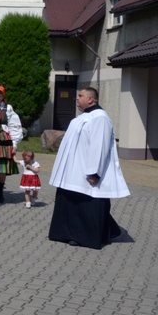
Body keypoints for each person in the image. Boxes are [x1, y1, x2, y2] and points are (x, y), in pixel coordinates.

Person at [48, 87, 130, 249]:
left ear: (91, 99)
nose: (76, 99)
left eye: (80, 96)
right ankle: (67, 233)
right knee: (69, 201)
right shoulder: (83, 117)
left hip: (86, 173)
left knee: (88, 205)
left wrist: (94, 171)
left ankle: (85, 236)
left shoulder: (100, 118)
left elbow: (99, 146)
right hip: (72, 172)